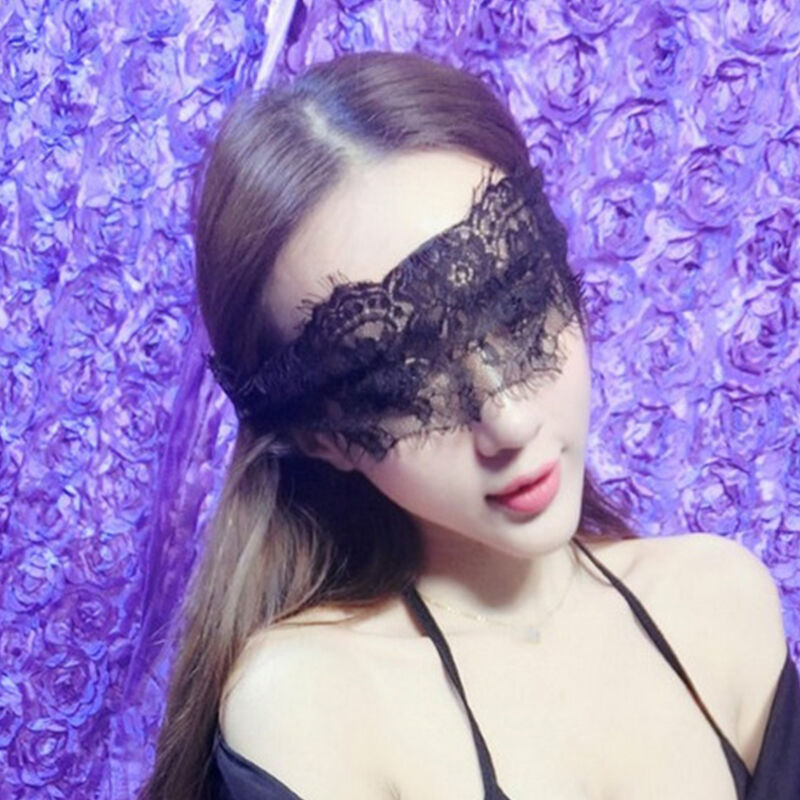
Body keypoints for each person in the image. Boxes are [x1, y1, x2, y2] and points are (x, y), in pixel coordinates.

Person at [141, 51, 799, 800]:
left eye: (517, 308)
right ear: (321, 435)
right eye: (402, 375)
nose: (509, 420)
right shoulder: (313, 703)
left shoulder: (720, 604)